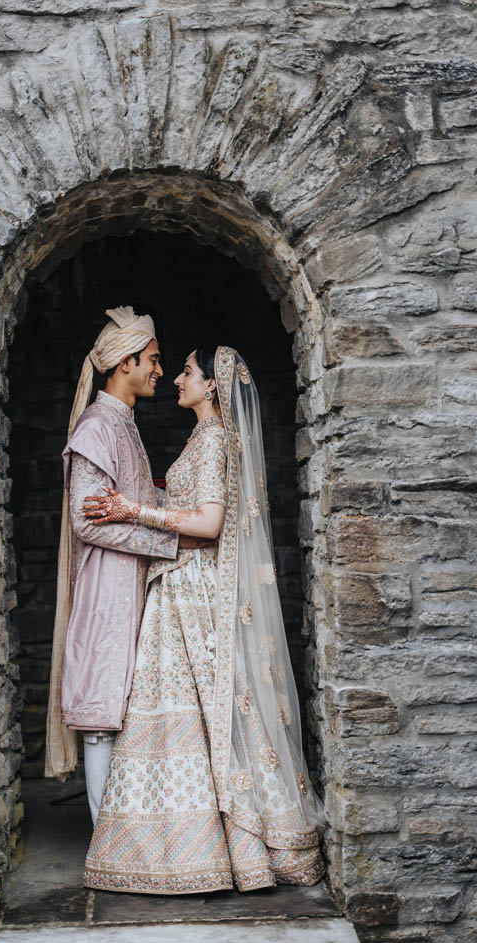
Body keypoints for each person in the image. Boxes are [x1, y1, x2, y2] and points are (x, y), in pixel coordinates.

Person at [81, 346, 327, 893]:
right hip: (178, 585)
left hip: (195, 587)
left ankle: (223, 844)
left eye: (187, 373)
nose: (176, 380)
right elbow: (195, 506)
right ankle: (184, 845)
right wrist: (145, 499)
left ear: (213, 387)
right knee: (183, 717)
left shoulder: (215, 438)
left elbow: (212, 524)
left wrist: (134, 511)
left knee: (205, 715)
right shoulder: (201, 438)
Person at [45, 306, 179, 826]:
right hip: (107, 585)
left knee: (129, 709)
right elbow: (89, 522)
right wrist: (168, 542)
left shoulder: (124, 424)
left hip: (131, 579)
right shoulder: (98, 426)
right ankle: (105, 839)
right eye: (153, 359)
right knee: (103, 712)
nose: (159, 371)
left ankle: (131, 836)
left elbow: (128, 499)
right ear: (125, 363)